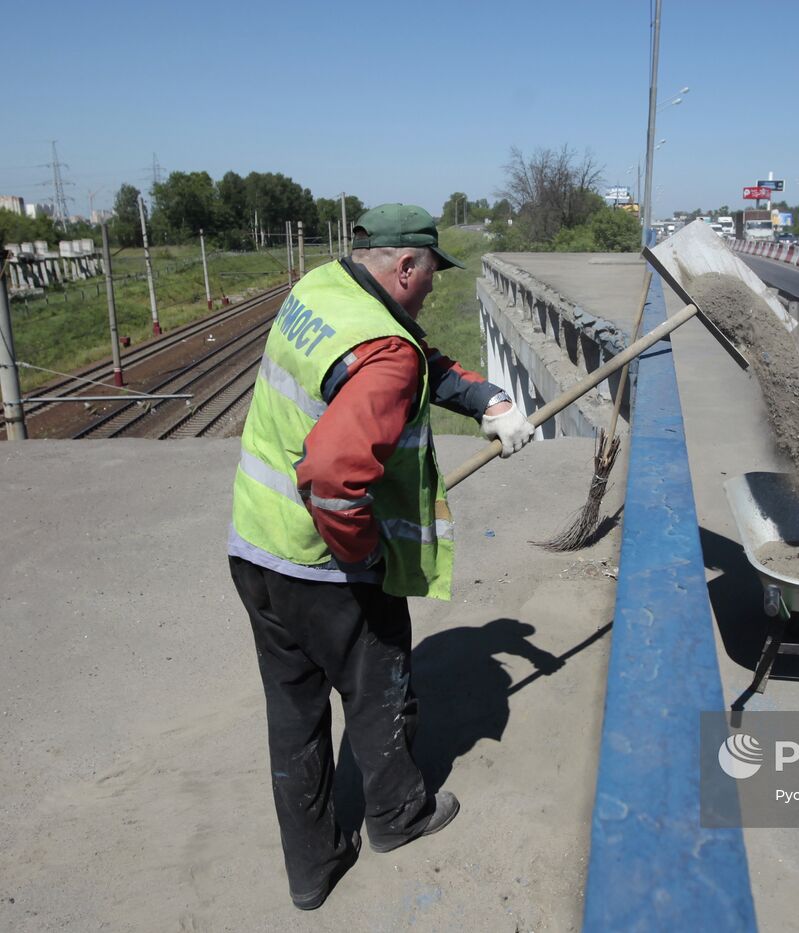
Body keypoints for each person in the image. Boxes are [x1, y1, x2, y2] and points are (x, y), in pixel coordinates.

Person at [227, 203, 534, 910]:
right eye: (429, 276)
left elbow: (412, 357)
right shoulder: (385, 354)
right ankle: (397, 815)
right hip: (321, 563)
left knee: (294, 714)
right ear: (403, 267)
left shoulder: (323, 290)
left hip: (256, 545)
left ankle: (312, 870)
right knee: (380, 681)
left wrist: (487, 399)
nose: (432, 289)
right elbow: (335, 479)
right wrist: (364, 559)